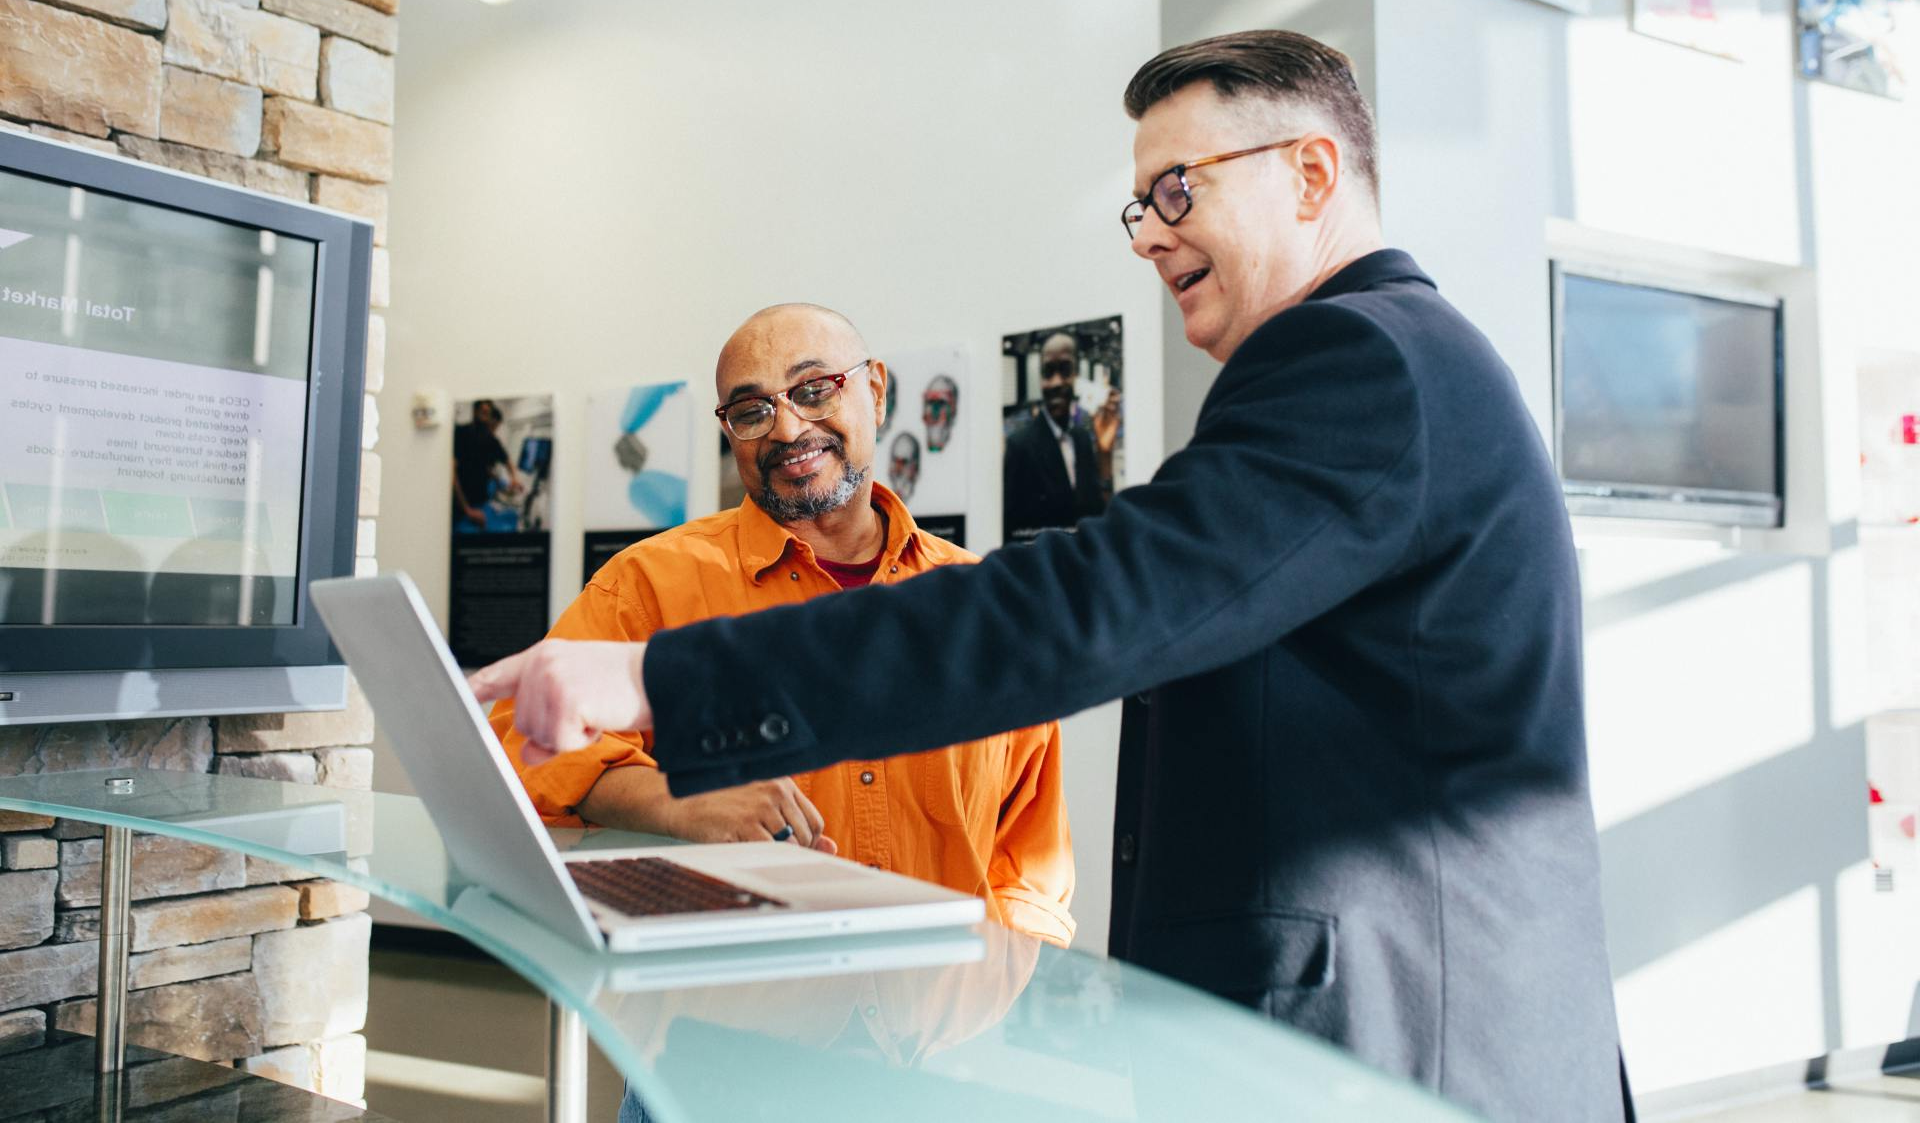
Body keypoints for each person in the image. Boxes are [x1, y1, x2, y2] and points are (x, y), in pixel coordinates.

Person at [473, 31, 1627, 1122]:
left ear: (1312, 174)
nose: (1147, 235)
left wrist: (662, 681)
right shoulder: (1396, 362)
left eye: (1178, 189)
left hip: (1397, 1049)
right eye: (1140, 204)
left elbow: (1090, 608)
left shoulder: (1359, 358)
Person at [486, 302, 1075, 948]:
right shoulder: (648, 584)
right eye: (751, 410)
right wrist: (679, 800)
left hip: (944, 1001)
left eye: (814, 389)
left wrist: (1001, 987)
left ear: (876, 392)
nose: (788, 428)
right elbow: (523, 744)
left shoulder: (980, 606)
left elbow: (1030, 865)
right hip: (737, 997)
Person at [1002, 332, 1120, 541]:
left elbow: (1098, 517)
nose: (1056, 382)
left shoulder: (1083, 439)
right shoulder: (1020, 446)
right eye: (1048, 372)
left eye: (1065, 370)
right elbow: (1012, 533)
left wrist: (1104, 454)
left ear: (1077, 375)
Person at [450, 398, 518, 532]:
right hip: (461, 506)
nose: (493, 429)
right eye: (483, 413)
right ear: (475, 412)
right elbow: (451, 473)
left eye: (488, 413)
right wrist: (467, 510)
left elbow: (506, 460)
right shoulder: (461, 433)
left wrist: (514, 478)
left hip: (480, 503)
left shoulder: (491, 441)